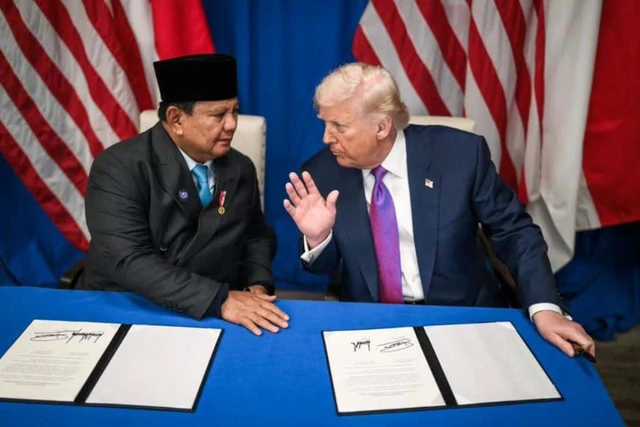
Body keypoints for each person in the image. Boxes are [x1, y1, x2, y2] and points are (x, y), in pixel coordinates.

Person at [284, 63, 594, 358]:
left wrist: (545, 307)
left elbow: (514, 232)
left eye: (339, 126)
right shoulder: (321, 173)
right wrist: (318, 239)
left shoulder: (460, 155)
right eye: (325, 123)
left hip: (462, 316)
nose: (326, 138)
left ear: (382, 126)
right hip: (371, 323)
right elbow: (322, 268)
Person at [78, 54, 289, 336]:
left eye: (235, 111)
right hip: (132, 304)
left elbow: (255, 236)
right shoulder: (117, 168)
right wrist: (220, 300)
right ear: (176, 119)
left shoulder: (240, 167)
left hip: (214, 313)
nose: (231, 124)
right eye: (218, 115)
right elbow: (129, 260)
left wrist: (257, 286)